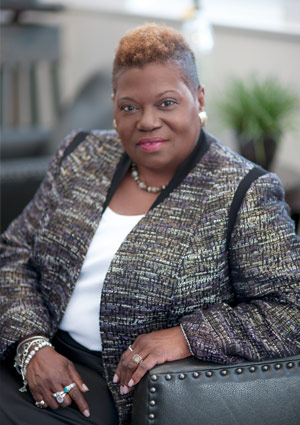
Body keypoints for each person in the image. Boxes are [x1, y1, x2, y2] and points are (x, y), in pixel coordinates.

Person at [0, 23, 300, 425]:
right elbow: (14, 252)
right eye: (129, 106)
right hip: (29, 354)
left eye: (167, 103)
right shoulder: (82, 152)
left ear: (198, 99)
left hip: (107, 391)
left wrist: (188, 335)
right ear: (114, 106)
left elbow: (290, 311)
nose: (146, 121)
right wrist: (30, 346)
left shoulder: (243, 191)